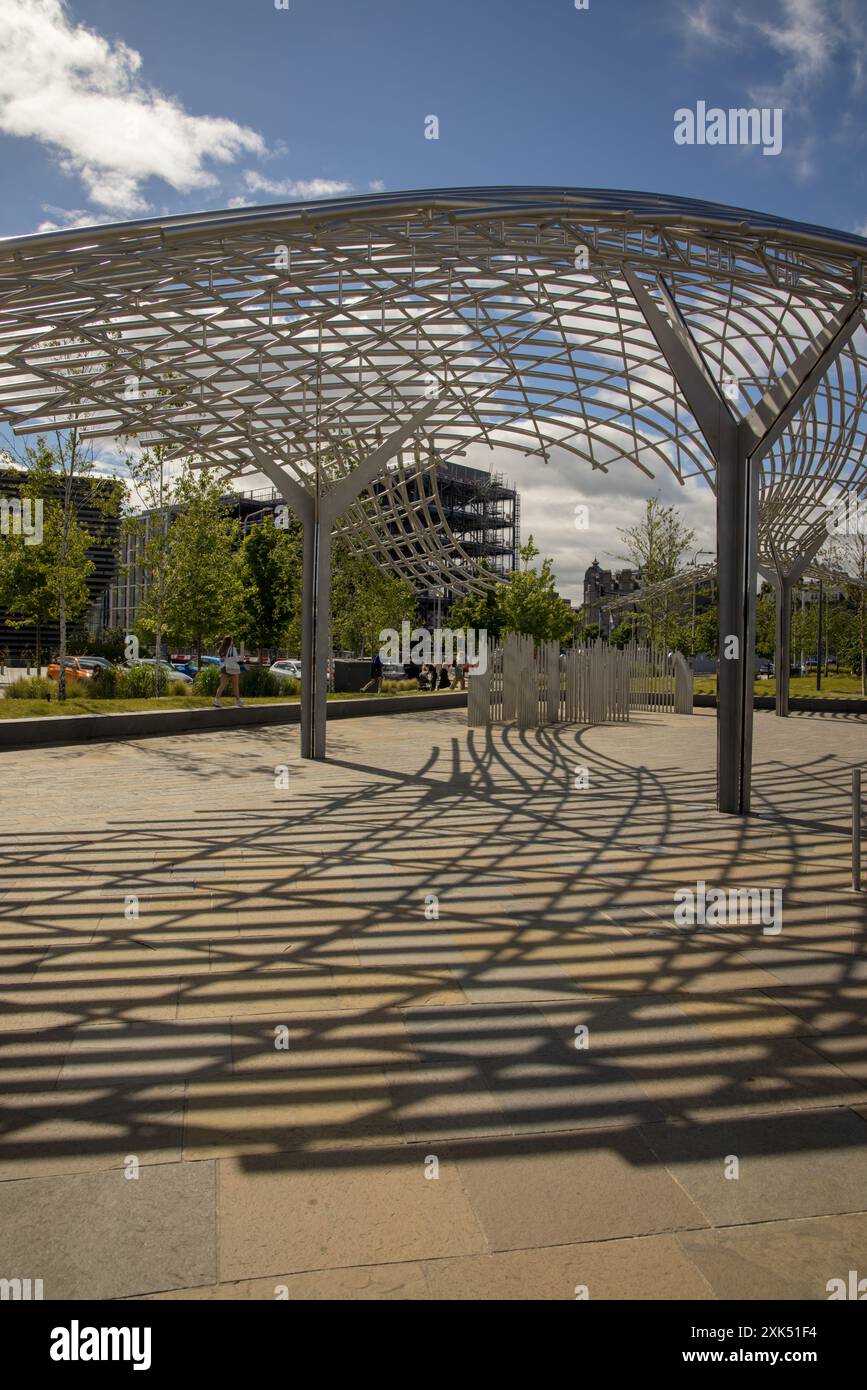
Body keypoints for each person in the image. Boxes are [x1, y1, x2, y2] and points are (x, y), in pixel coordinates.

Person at [214, 636, 244, 708]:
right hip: (232, 668)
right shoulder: (233, 649)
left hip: (224, 668)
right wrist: (242, 663)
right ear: (230, 641)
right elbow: (236, 659)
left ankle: (217, 700)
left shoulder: (221, 649)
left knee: (222, 685)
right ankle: (238, 701)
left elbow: (222, 660)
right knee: (235, 685)